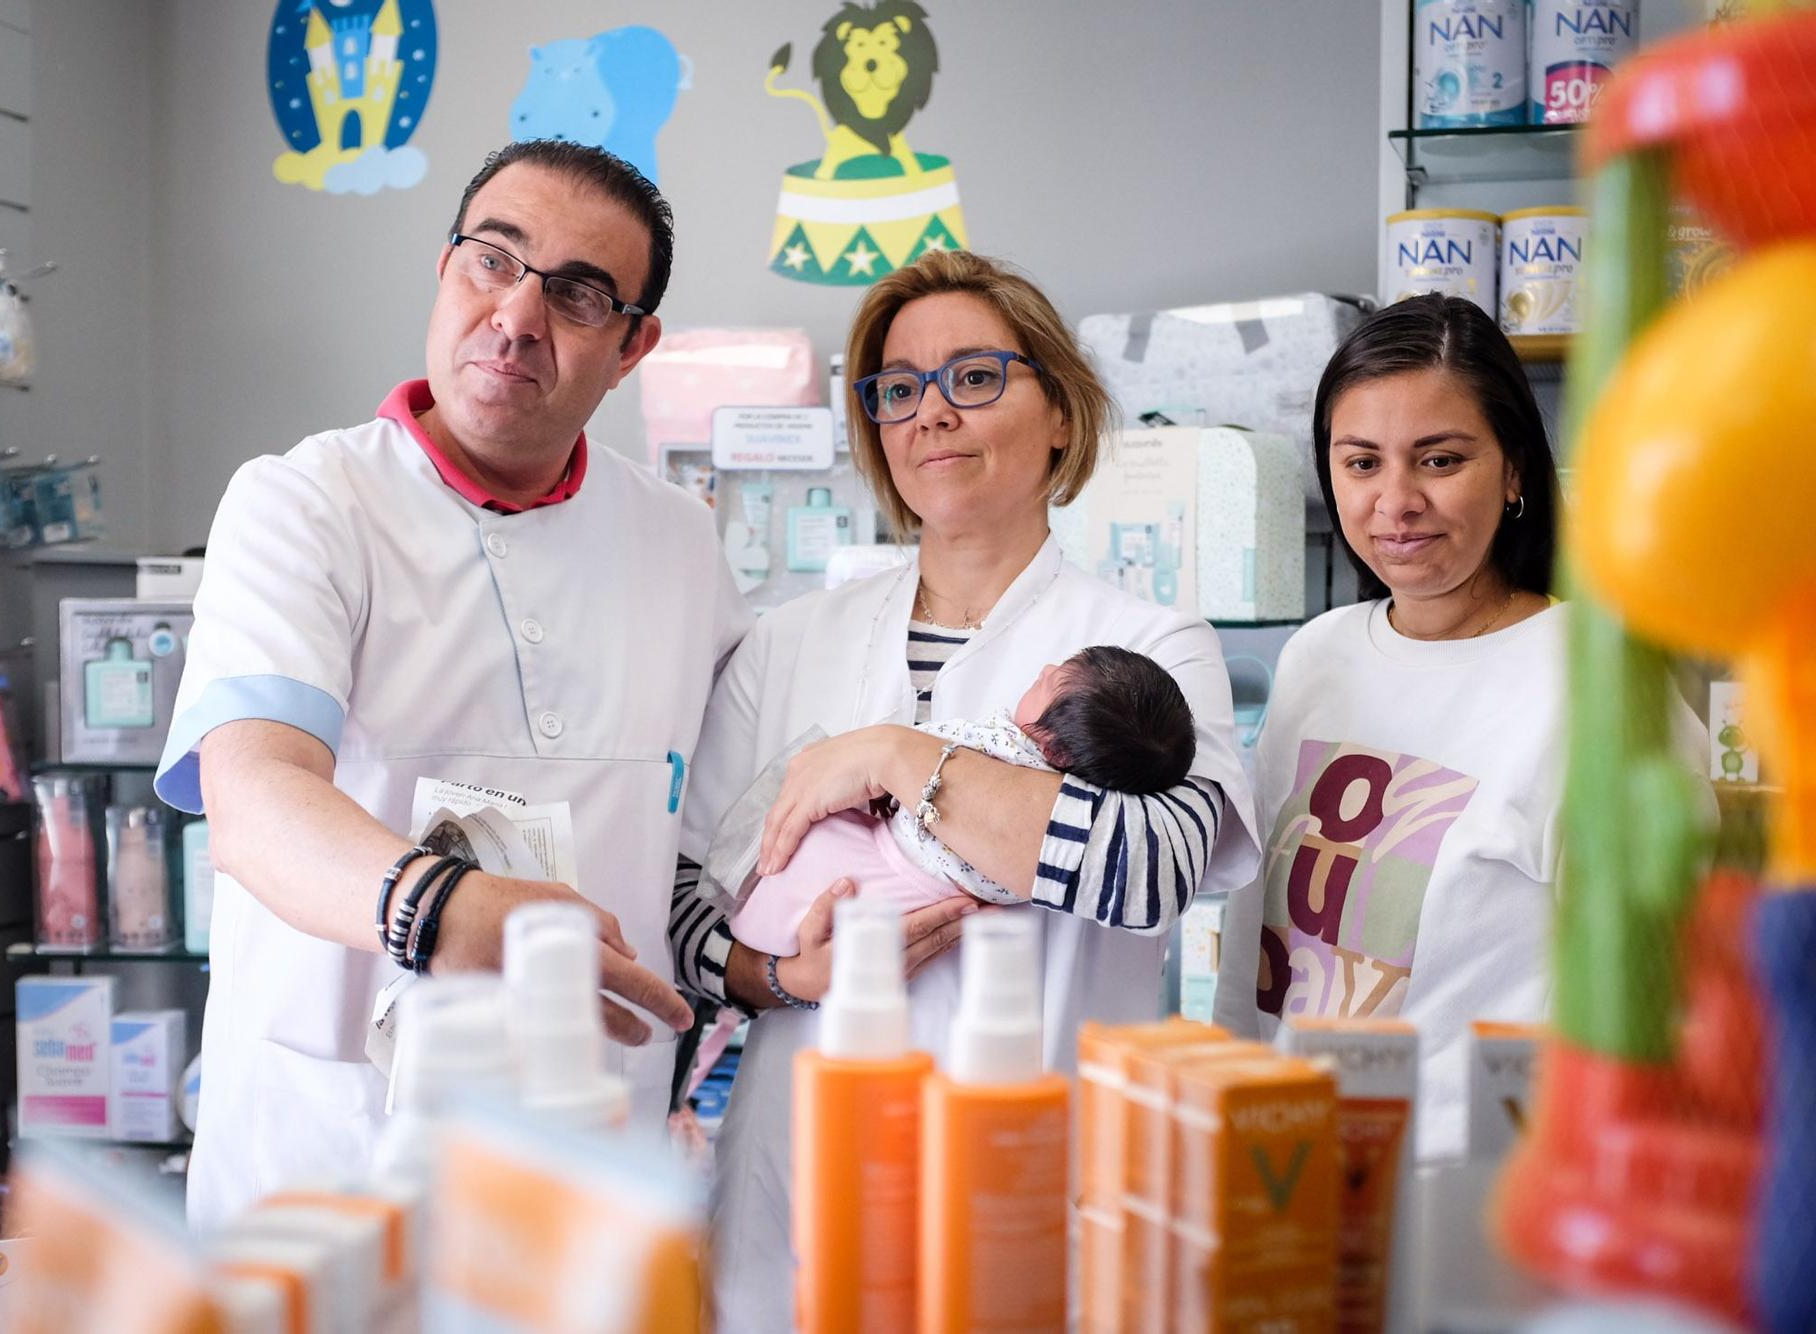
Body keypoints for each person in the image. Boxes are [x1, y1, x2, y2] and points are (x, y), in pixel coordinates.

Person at [153, 140, 750, 1226]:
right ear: (445, 270)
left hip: (586, 1157)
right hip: (328, 1158)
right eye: (493, 259)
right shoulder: (304, 503)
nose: (518, 315)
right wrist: (442, 908)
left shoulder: (678, 542)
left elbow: (712, 826)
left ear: (630, 348)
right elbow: (252, 797)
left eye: (576, 293)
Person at [673, 249, 1260, 1330]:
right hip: (798, 1188)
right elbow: (679, 911)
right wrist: (776, 972)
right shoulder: (786, 642)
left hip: (1042, 1180)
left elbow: (1146, 871)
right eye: (897, 389)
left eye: (974, 377)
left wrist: (901, 759)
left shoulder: (1148, 644)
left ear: (1058, 414)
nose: (930, 413)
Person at [1210, 293, 1704, 1158]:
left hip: (1475, 1200)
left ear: (1514, 471)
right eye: (1361, 463)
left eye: (1439, 460)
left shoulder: (1602, 688)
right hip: (1282, 1161)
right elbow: (1261, 937)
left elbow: (1673, 1005)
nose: (1395, 502)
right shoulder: (1317, 655)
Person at [728, 643, 1199, 954]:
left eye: (1052, 681)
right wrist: (780, 981)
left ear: (1053, 748)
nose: (1046, 668)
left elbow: (1152, 872)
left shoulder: (999, 743)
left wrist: (889, 753)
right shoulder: (781, 635)